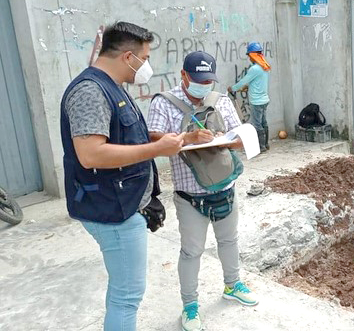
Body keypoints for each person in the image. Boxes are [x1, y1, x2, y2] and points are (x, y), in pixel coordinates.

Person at [60, 21, 185, 331]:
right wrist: (157, 151)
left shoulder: (112, 86)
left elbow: (128, 139)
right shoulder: (90, 91)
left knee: (123, 292)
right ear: (128, 57)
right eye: (145, 57)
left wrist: (177, 140)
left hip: (123, 202)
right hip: (111, 209)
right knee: (126, 296)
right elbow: (91, 154)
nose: (147, 66)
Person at [148, 51, 258, 331]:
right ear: (183, 76)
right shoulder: (164, 103)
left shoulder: (220, 100)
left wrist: (229, 140)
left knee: (229, 240)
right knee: (191, 252)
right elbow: (153, 137)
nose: (204, 86)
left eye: (208, 80)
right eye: (198, 80)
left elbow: (238, 133)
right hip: (190, 194)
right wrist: (188, 137)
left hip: (225, 186)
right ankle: (190, 306)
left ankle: (232, 285)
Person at [227, 42, 271, 152]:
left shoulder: (255, 69)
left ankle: (261, 147)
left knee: (257, 124)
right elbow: (257, 83)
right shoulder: (264, 66)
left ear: (252, 55)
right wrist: (248, 88)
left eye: (249, 56)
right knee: (263, 122)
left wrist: (233, 88)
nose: (249, 58)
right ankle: (266, 144)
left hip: (256, 101)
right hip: (264, 100)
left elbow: (243, 81)